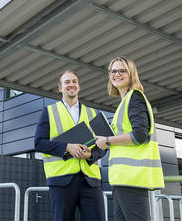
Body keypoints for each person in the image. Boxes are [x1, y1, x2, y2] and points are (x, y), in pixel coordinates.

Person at [96, 57, 164, 221]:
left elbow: (140, 135)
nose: (116, 74)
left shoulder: (135, 97)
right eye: (113, 71)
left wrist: (107, 140)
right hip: (122, 179)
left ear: (131, 74)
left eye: (122, 70)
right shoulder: (125, 101)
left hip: (132, 178)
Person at [35, 70, 106, 221]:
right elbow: (39, 143)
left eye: (74, 82)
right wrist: (67, 147)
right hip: (61, 181)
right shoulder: (49, 112)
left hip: (90, 181)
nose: (71, 85)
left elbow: (104, 144)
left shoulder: (93, 113)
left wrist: (91, 155)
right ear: (60, 88)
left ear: (79, 87)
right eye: (67, 82)